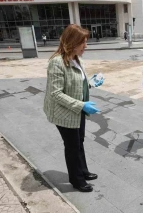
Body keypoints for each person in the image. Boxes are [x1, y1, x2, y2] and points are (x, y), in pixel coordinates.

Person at [43, 24, 104, 192]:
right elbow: (56, 93)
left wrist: (91, 83)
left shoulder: (78, 59)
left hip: (78, 110)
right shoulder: (57, 63)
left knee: (80, 142)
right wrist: (82, 104)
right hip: (64, 113)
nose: (86, 46)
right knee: (72, 146)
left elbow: (77, 84)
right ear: (72, 42)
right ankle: (76, 180)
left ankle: (82, 171)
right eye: (83, 42)